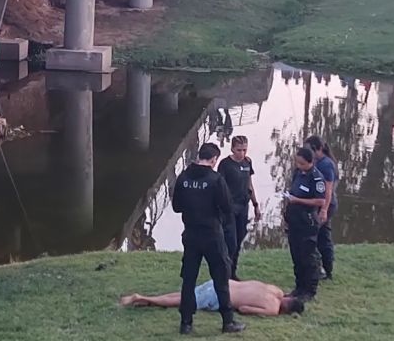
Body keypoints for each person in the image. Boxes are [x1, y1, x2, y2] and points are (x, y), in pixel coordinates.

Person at [172, 142, 245, 335]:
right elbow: (227, 208)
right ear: (213, 160)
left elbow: (176, 207)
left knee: (188, 279)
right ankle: (227, 321)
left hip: (190, 234)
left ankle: (186, 323)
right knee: (221, 278)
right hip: (212, 234)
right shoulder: (215, 179)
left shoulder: (183, 178)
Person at [120, 279, 306, 317]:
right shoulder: (273, 309)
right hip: (219, 296)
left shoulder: (276, 290)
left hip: (222, 282)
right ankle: (140, 297)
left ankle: (148, 299)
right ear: (287, 311)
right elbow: (243, 309)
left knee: (184, 295)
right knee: (182, 300)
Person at [283, 147, 326, 302]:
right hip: (294, 220)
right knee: (296, 256)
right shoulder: (297, 173)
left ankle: (309, 290)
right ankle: (299, 287)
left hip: (307, 221)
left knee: (308, 257)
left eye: (302, 163)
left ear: (310, 162)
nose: (299, 165)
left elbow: (320, 200)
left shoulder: (316, 178)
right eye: (297, 162)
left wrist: (298, 200)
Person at [217, 136, 260, 281]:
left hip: (243, 206)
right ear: (232, 149)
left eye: (244, 150)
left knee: (240, 237)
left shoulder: (248, 162)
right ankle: (225, 273)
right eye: (239, 150)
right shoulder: (225, 164)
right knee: (231, 241)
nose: (242, 153)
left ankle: (232, 272)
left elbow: (250, 184)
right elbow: (220, 187)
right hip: (230, 208)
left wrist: (256, 204)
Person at [305, 136, 337, 280]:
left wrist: (324, 210)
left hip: (325, 205)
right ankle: (321, 269)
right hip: (317, 204)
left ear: (318, 149)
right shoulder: (317, 162)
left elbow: (328, 190)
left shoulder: (326, 165)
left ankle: (325, 269)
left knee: (319, 238)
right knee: (320, 236)